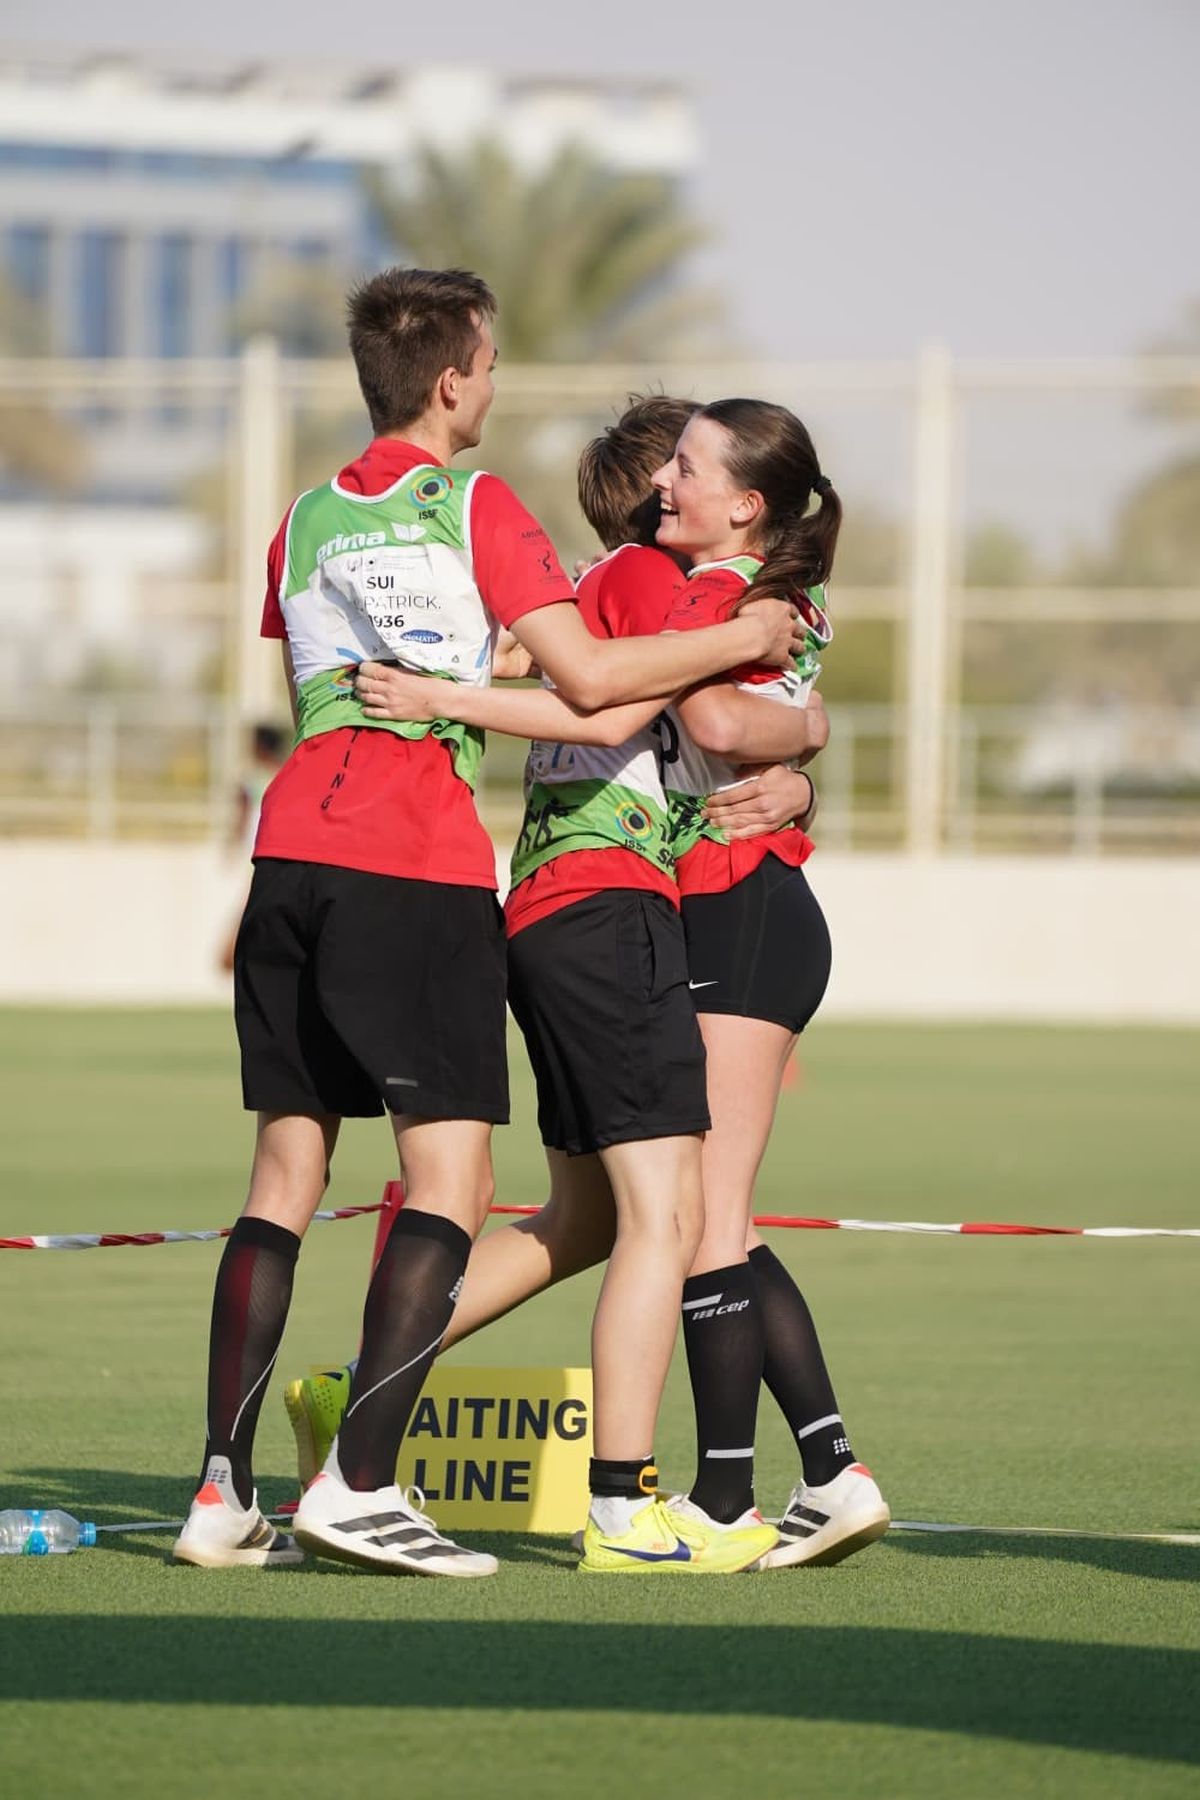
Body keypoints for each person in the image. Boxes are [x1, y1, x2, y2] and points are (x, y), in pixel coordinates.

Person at [170, 272, 807, 1577]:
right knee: (477, 1187)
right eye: (494, 362)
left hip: (288, 855)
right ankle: (377, 1481)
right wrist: (756, 652)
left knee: (284, 1184)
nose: (499, 381)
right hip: (420, 867)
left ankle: (221, 1495)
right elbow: (591, 680)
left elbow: (390, 662)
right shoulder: (477, 501)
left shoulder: (298, 521)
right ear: (456, 379)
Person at [338, 396, 876, 1566]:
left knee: (610, 1216)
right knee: (679, 1217)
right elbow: (685, 710)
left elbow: (702, 724)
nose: (677, 482)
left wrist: (801, 750)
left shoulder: (668, 588)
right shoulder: (662, 587)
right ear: (654, 497)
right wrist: (797, 720)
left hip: (632, 902)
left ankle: (364, 1395)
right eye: (672, 464)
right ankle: (700, 1500)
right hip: (644, 904)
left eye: (697, 464)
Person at [218, 722, 288, 974]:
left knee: (248, 917)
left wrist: (231, 846)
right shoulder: (286, 771)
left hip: (259, 853)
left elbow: (242, 815)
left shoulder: (250, 778)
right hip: (279, 852)